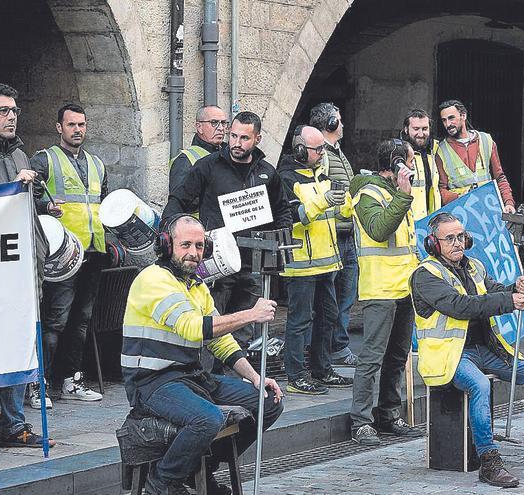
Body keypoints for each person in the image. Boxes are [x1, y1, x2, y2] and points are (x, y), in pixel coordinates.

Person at [411, 212, 524, 488]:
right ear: (433, 244)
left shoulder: (474, 267)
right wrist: (509, 300)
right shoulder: (425, 275)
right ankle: (489, 461)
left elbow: (494, 291)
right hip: (449, 355)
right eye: (450, 238)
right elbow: (462, 306)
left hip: (484, 348)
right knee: (480, 386)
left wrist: (515, 288)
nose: (458, 242)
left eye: (461, 236)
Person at [121, 214, 283, 495]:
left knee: (268, 402)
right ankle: (161, 484)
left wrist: (256, 377)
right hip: (152, 382)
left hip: (190, 377)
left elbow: (220, 342)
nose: (193, 253)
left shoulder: (195, 285)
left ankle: (202, 466)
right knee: (207, 418)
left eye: (199, 246)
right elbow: (194, 328)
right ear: (167, 244)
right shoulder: (153, 280)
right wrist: (251, 314)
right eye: (186, 245)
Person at [163, 111, 293, 348]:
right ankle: (207, 380)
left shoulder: (267, 172)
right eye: (233, 136)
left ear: (257, 139)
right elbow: (178, 200)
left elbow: (282, 210)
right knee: (211, 330)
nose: (236, 143)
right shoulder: (208, 167)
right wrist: (172, 234)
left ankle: (236, 381)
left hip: (253, 265)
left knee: (243, 333)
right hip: (217, 263)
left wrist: (280, 241)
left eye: (244, 138)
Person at [30, 103, 108, 408]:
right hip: (60, 257)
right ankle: (40, 385)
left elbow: (103, 206)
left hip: (92, 252)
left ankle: (71, 381)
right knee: (55, 321)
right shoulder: (44, 160)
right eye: (72, 125)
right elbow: (23, 200)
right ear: (59, 127)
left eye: (82, 125)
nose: (78, 130)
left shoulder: (97, 164)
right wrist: (45, 208)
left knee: (81, 321)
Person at [0, 82, 56, 451]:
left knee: (18, 341)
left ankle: (14, 425)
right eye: (3, 110)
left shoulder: (20, 153)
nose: (11, 116)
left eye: (14, 110)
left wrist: (44, 205)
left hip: (22, 266)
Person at [348, 139, 423, 445]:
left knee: (398, 356)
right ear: (396, 164)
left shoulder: (396, 193)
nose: (415, 166)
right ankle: (360, 421)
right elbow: (379, 230)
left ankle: (388, 414)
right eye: (410, 160)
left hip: (405, 287)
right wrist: (403, 196)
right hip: (379, 289)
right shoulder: (368, 193)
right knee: (372, 358)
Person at [277, 125, 352, 394]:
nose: (322, 153)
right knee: (300, 321)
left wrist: (345, 203)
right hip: (300, 262)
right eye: (317, 149)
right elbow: (293, 215)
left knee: (328, 317)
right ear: (300, 149)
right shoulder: (285, 178)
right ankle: (296, 376)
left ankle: (322, 370)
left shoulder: (321, 172)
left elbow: (335, 212)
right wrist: (324, 200)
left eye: (323, 148)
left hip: (326, 260)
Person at [309, 102, 358, 367]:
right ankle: (329, 348)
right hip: (332, 235)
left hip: (346, 234)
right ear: (328, 124)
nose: (342, 124)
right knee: (329, 298)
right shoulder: (322, 155)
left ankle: (338, 345)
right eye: (338, 120)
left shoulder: (338, 153)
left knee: (345, 295)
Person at [435, 100, 516, 213]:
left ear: (463, 115)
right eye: (444, 120)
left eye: (451, 118)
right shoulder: (441, 150)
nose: (448, 124)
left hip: (489, 209)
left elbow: (500, 178)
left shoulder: (486, 140)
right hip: (462, 212)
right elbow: (440, 190)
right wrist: (460, 197)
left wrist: (508, 203)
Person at [168, 105, 228, 198]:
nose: (221, 128)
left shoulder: (228, 153)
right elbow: (178, 202)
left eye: (223, 123)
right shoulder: (184, 160)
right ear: (199, 127)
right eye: (214, 122)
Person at [400, 108, 441, 219]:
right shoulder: (399, 154)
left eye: (424, 129)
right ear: (406, 129)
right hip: (410, 223)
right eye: (416, 129)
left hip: (432, 222)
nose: (421, 134)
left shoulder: (435, 150)